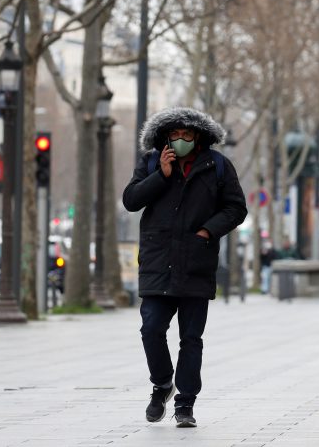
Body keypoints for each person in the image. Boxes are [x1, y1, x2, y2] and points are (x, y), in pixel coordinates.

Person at [122, 107, 248, 428]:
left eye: (186, 135)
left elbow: (236, 207)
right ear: (165, 137)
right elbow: (131, 200)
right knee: (151, 328)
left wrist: (208, 231)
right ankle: (162, 383)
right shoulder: (151, 162)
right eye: (174, 135)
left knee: (191, 339)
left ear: (198, 137)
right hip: (157, 263)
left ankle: (185, 404)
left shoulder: (218, 166)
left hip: (196, 264)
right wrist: (160, 176)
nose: (180, 140)